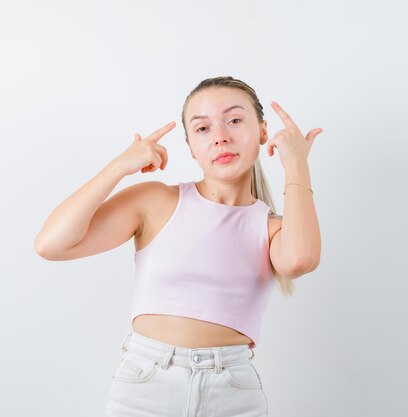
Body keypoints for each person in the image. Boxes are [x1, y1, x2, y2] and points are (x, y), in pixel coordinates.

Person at [34, 76, 322, 417]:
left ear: (263, 131)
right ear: (190, 146)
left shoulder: (271, 228)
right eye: (202, 129)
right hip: (145, 385)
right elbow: (51, 244)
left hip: (232, 392)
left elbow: (300, 259)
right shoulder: (156, 201)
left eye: (234, 120)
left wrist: (297, 164)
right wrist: (119, 166)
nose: (220, 137)